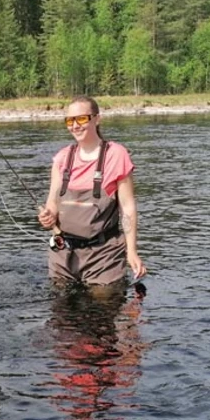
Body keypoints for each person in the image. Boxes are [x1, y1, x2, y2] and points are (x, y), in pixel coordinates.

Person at [38, 95, 146, 288]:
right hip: (63, 254)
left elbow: (128, 208)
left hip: (104, 254)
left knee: (102, 307)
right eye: (70, 120)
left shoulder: (116, 154)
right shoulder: (62, 158)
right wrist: (48, 217)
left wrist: (132, 251)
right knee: (61, 311)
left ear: (97, 119)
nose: (75, 125)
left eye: (81, 118)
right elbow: (52, 204)